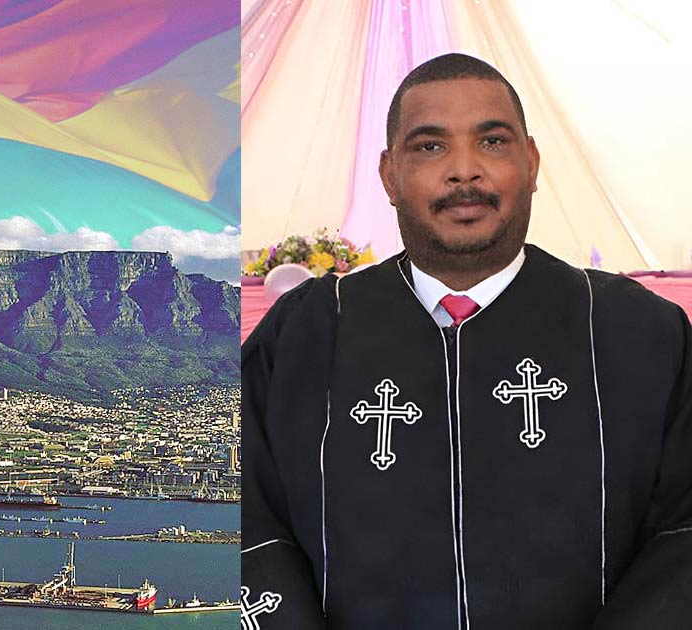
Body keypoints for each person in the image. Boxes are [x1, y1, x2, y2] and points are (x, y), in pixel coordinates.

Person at [241, 53, 692, 630]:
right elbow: (251, 524)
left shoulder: (639, 333)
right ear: (388, 174)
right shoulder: (305, 334)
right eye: (430, 146)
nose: (464, 171)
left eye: (493, 142)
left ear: (530, 162)